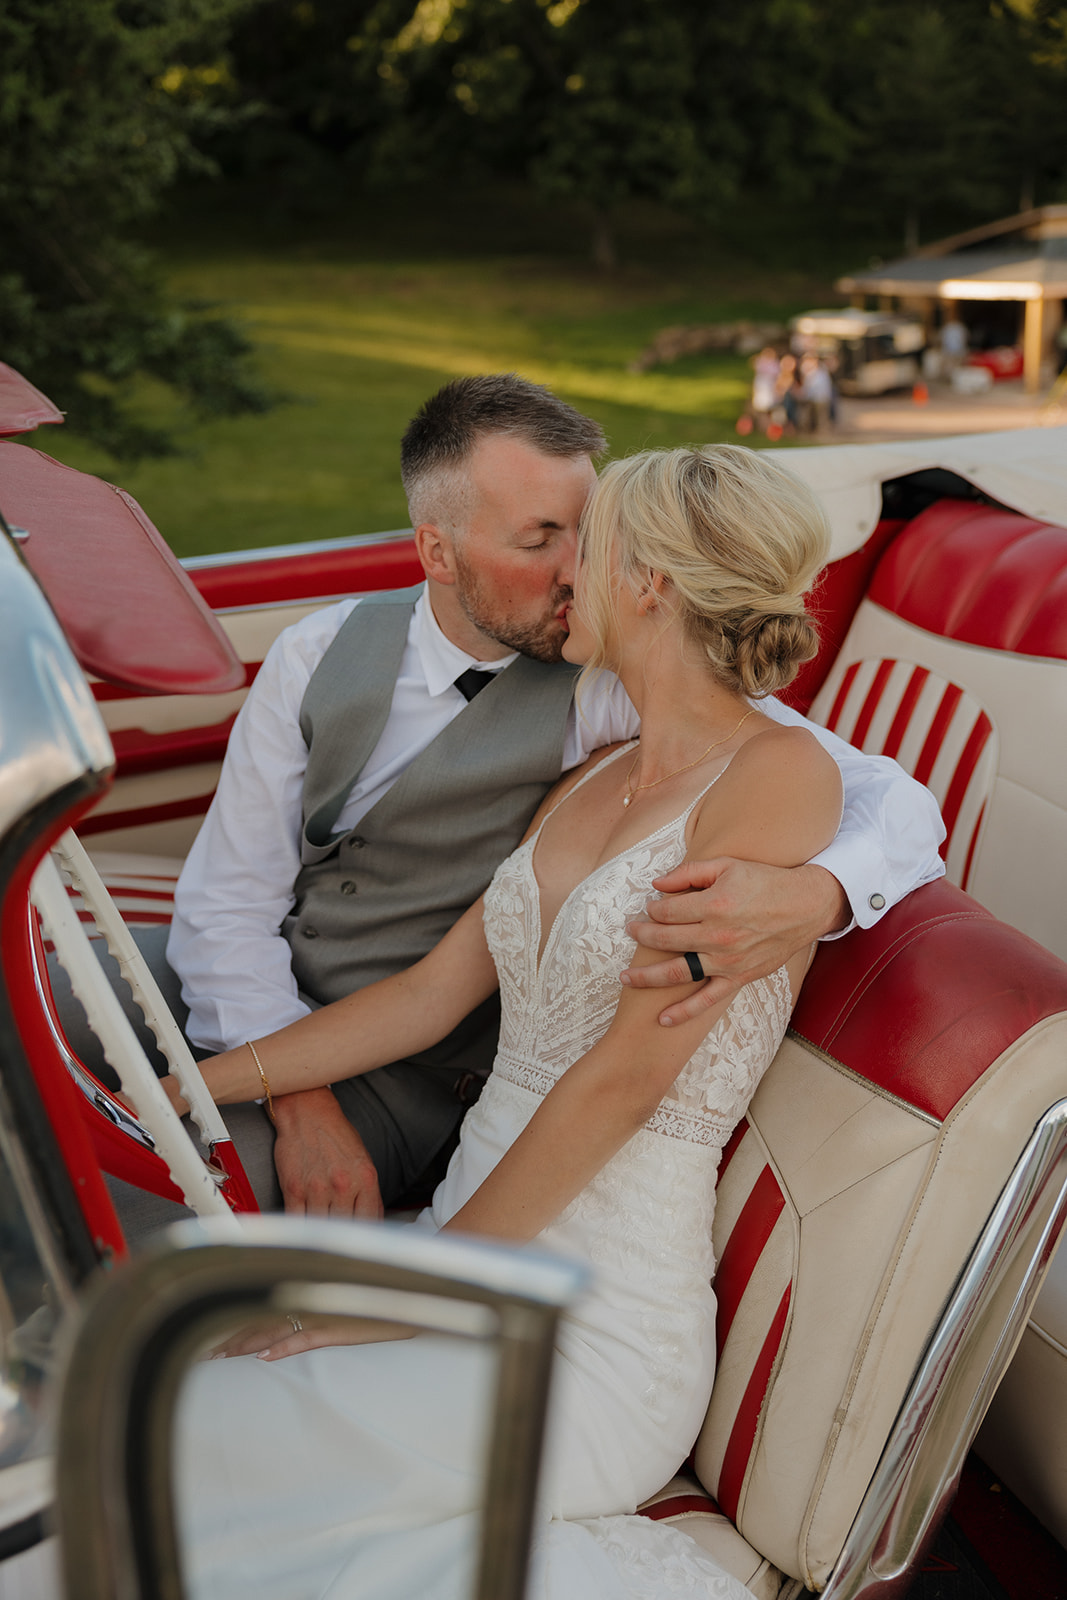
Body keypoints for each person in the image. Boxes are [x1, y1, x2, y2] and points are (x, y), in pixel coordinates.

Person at [172, 443, 844, 1600]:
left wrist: (400, 1294)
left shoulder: (775, 780)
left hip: (586, 1327)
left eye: (582, 545)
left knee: (190, 1433)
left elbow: (620, 1083)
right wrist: (186, 1090)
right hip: (466, 1233)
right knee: (174, 1392)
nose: (560, 575)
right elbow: (430, 996)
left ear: (648, 581)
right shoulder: (590, 776)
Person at [93, 375, 943, 1233]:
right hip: (268, 992)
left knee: (124, 1182)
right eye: (540, 538)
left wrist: (821, 892)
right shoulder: (317, 652)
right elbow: (231, 903)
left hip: (413, 1070)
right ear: (438, 552)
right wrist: (290, 1096)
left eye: (590, 530)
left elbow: (885, 794)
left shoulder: (617, 690)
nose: (576, 567)